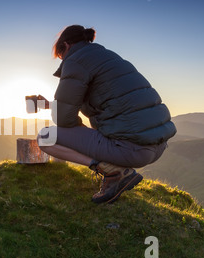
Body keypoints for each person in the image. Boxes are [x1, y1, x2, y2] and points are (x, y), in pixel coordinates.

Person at [37, 25, 176, 204]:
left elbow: (63, 120)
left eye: (60, 55)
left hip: (131, 149)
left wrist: (72, 120)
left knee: (45, 137)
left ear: (66, 45)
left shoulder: (75, 61)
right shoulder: (107, 57)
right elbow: (110, 100)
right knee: (74, 132)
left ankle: (111, 171)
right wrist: (51, 105)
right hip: (158, 146)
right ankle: (116, 169)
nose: (62, 60)